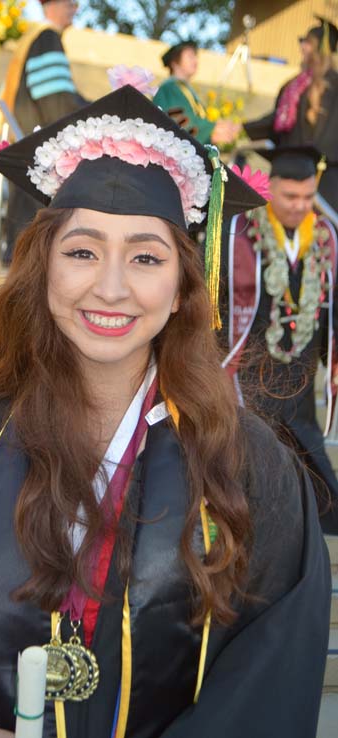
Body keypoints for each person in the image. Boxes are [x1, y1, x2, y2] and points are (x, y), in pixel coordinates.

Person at [0, 86, 331, 738]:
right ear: (42, 265)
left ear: (183, 286)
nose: (110, 286)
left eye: (145, 256)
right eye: (81, 251)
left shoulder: (250, 468)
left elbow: (269, 674)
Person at [221, 145, 338, 535]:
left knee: (312, 470)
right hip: (254, 370)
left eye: (308, 197)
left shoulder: (323, 236)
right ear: (270, 189)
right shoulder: (242, 231)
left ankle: (306, 538)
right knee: (251, 461)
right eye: (290, 196)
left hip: (301, 378)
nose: (300, 206)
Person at [0, 0, 87, 264]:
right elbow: (55, 100)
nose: (75, 8)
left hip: (29, 139)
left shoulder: (36, 38)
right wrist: (94, 115)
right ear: (54, 5)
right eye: (71, 3)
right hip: (40, 147)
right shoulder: (47, 38)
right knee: (31, 239)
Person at [244, 16, 338, 212]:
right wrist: (242, 129)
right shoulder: (293, 86)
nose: (302, 47)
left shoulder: (335, 86)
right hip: (286, 173)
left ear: (320, 48)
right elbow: (274, 121)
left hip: (323, 179)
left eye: (307, 42)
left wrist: (313, 159)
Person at [153, 41, 240, 146]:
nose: (195, 60)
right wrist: (212, 129)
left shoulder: (187, 90)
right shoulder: (169, 88)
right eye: (190, 56)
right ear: (174, 62)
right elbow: (178, 122)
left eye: (195, 56)